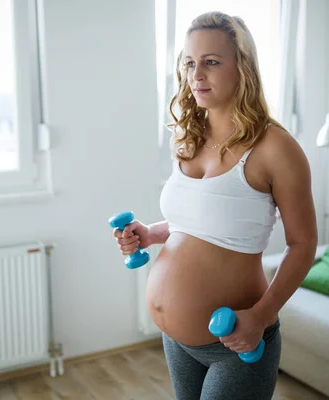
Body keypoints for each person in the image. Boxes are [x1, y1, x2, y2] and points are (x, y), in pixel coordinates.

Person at [112, 11, 318, 400]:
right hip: (176, 339)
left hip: (235, 344)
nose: (196, 74)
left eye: (211, 62)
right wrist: (152, 233)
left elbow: (303, 245)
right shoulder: (190, 135)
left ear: (243, 66)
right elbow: (198, 223)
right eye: (190, 62)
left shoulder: (276, 148)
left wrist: (261, 316)